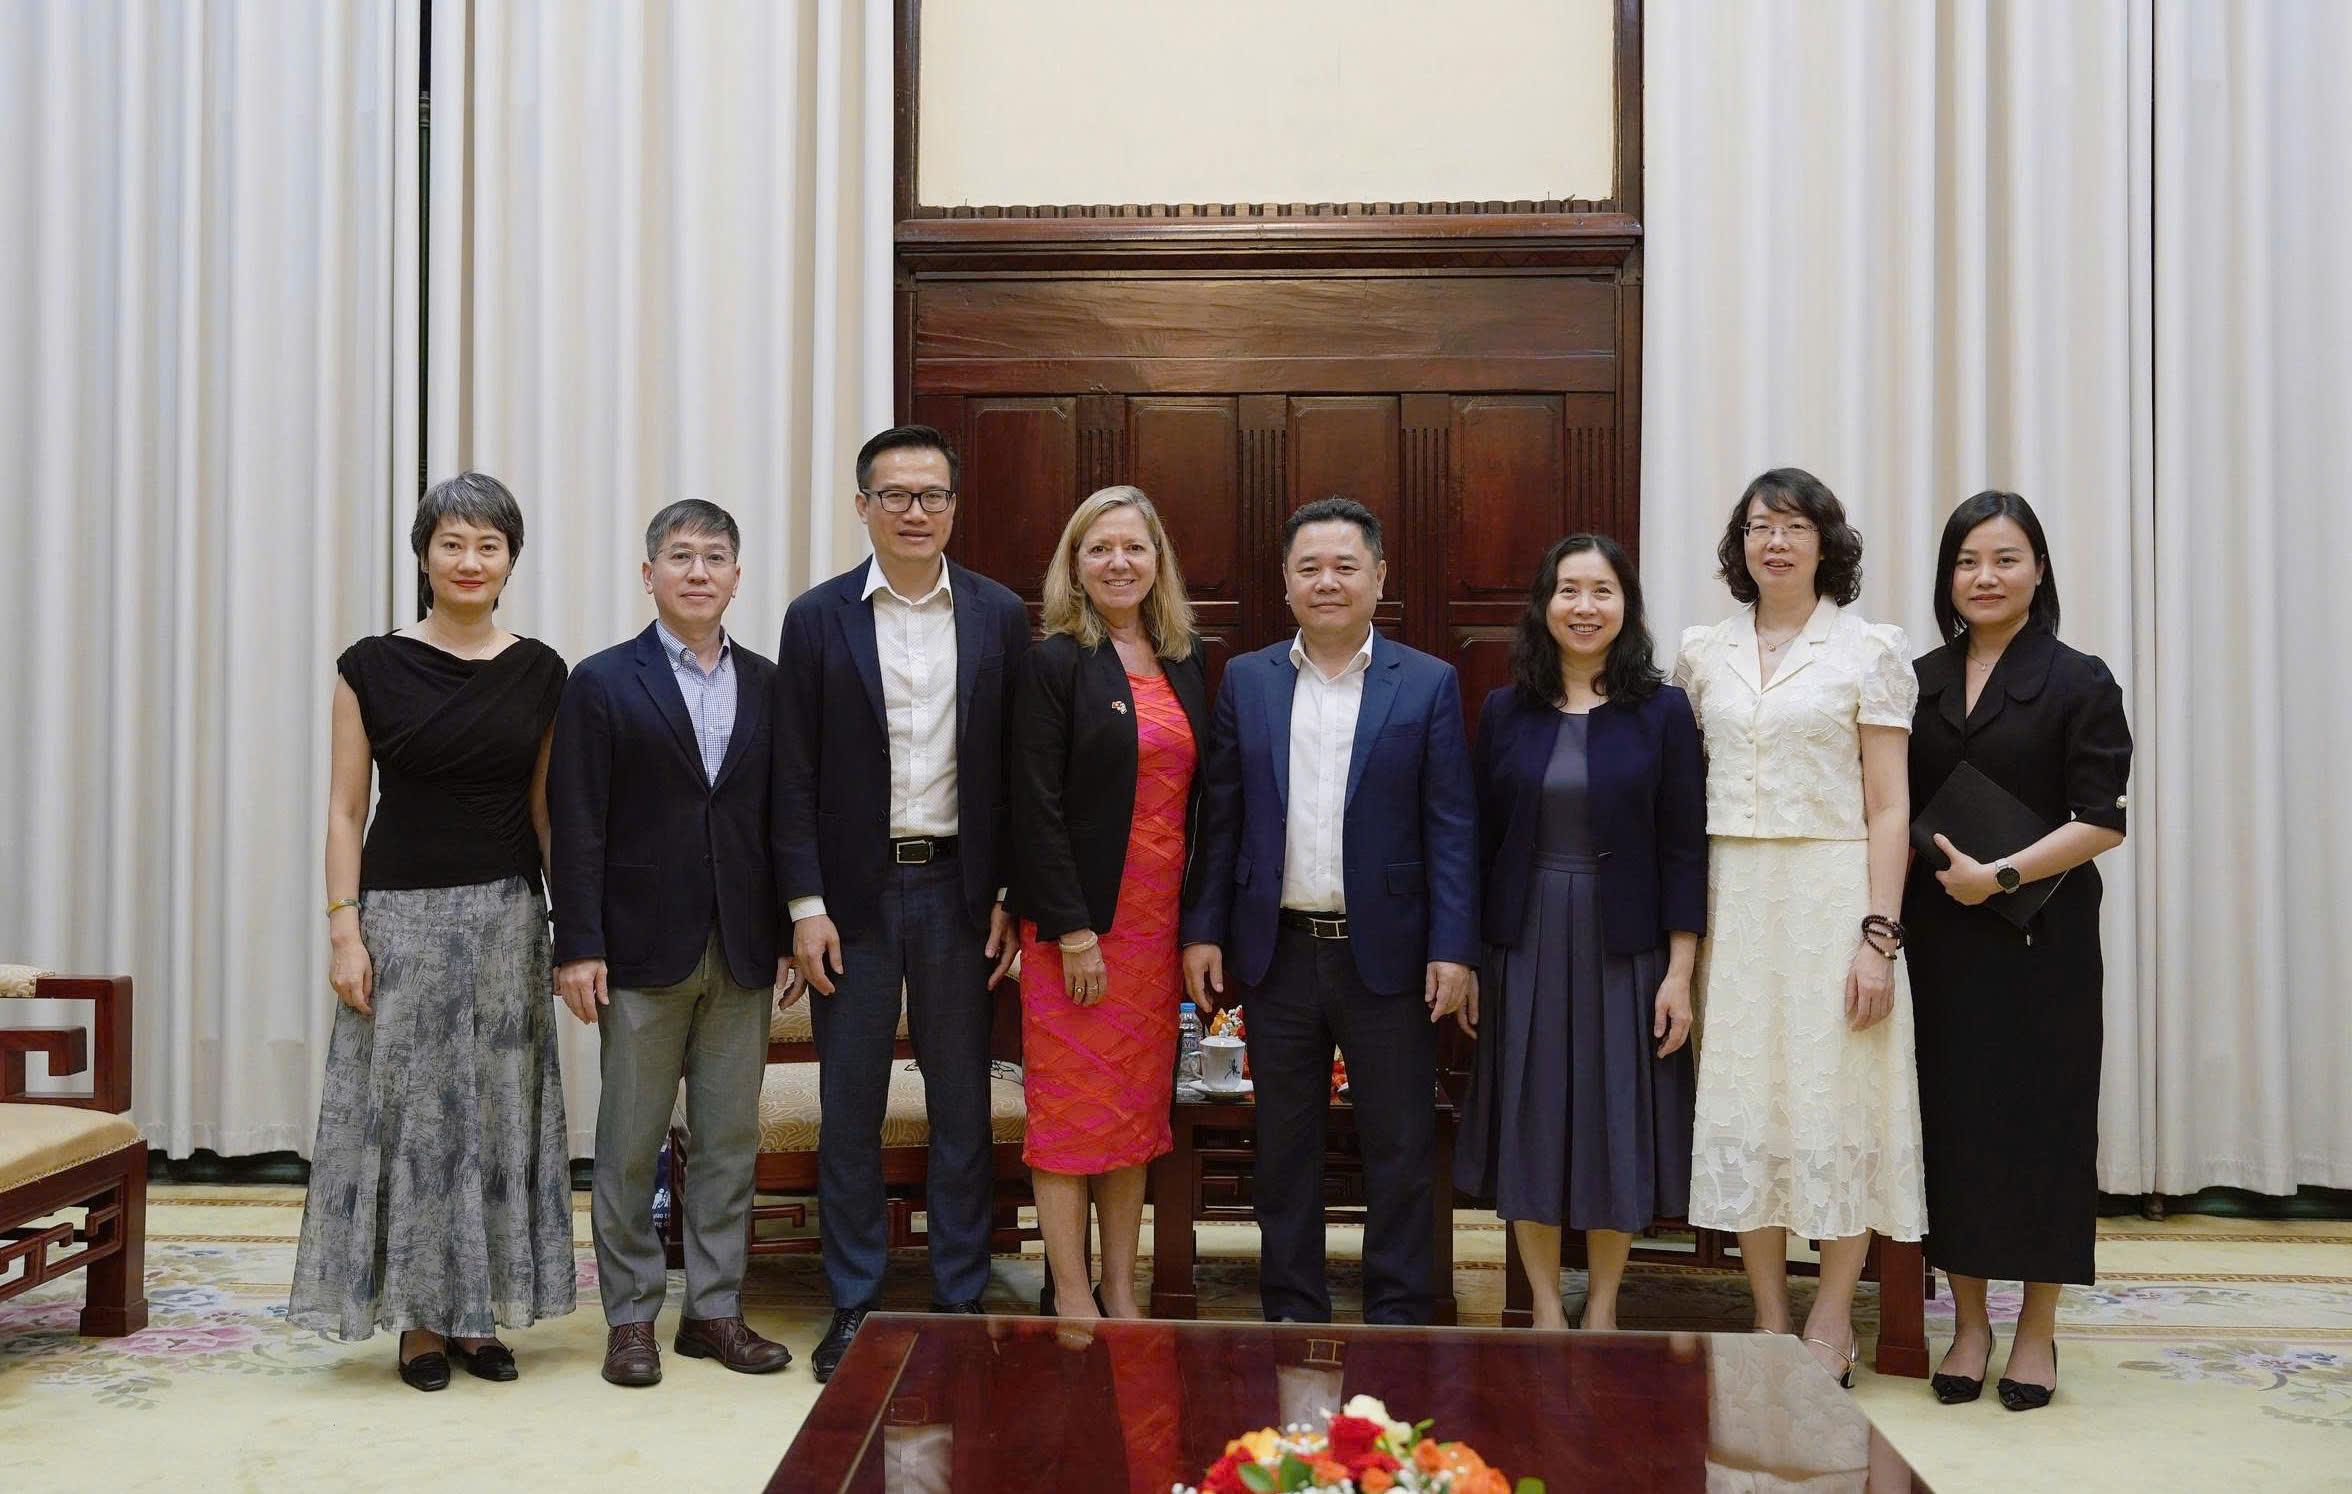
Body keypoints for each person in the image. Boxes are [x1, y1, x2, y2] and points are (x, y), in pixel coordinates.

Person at [290, 473, 575, 1390]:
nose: (469, 561)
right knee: (413, 1121)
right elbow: (344, 811)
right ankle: (419, 1319)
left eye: (489, 545)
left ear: (511, 561)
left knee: (496, 1114)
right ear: (424, 556)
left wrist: (572, 927)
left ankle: (479, 1315)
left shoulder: (543, 672)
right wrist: (345, 931)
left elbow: (546, 813)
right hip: (401, 919)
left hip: (507, 919)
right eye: (452, 543)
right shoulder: (369, 666)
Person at [1180, 496, 1479, 1326]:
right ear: (1285, 582)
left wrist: (1454, 948)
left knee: (1399, 1145)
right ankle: (1291, 1307)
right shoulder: (1249, 680)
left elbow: (1452, 826)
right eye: (1309, 567)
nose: (1327, 582)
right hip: (1276, 951)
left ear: (1379, 576)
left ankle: (1400, 1311)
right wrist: (1203, 929)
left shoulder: (1427, 682)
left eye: (1346, 566)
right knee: (1284, 1147)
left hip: (1389, 955)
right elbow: (1220, 817)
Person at [772, 424, 1031, 1380]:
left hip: (963, 891)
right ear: (863, 506)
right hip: (854, 896)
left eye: (931, 495)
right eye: (894, 495)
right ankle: (855, 1300)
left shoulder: (1001, 614)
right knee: (852, 1103)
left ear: (954, 507)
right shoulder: (816, 618)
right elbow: (792, 773)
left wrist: (1008, 891)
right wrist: (804, 904)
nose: (913, 511)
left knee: (963, 1100)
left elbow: (1016, 766)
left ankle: (959, 1295)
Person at [1672, 467, 1925, 1387]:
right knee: (1747, 1106)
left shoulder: (1869, 649)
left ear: (1826, 543)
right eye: (1758, 527)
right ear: (1739, 546)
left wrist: (1878, 935)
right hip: (1733, 896)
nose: (1774, 542)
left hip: (1832, 894)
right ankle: (1770, 1313)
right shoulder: (1703, 652)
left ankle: (1831, 1313)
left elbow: (1889, 806)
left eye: (1793, 527)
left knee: (1838, 1105)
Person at [548, 500, 798, 1388]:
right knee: (629, 1140)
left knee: (729, 1140)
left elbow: (784, 816)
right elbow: (577, 821)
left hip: (742, 947)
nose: (699, 572)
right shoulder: (602, 682)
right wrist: (577, 944)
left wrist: (786, 929)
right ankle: (630, 1319)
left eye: (715, 557)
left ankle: (714, 1312)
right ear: (648, 573)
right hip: (639, 948)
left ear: (737, 576)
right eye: (681, 556)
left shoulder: (769, 684)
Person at [1904, 491, 2130, 1411]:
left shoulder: (2080, 679)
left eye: (2004, 559)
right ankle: (1969, 1324)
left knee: (2044, 1128)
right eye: (1967, 561)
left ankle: (2036, 1330)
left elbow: (2101, 822)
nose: (1984, 577)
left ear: (2038, 569)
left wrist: (1999, 875)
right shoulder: (1915, 679)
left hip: (2045, 944)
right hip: (1940, 940)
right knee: (1952, 1124)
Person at [1455, 534, 1706, 1331]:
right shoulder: (1506, 711)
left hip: (1624, 944)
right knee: (1529, 1120)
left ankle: (1601, 1308)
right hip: (1524, 939)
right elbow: (1477, 844)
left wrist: (1679, 972)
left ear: (1626, 606)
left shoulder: (1663, 712)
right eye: (1569, 590)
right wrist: (1469, 960)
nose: (1585, 606)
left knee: (1613, 1120)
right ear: (1545, 604)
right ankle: (1543, 1310)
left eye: (1602, 591)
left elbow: (1684, 848)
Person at [1009, 486, 1209, 1321]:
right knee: (1069, 1116)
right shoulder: (1055, 662)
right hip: (1080, 930)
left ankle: (1122, 1289)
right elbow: (1035, 806)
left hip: (1157, 935)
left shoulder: (1185, 661)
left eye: (1134, 547)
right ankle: (1070, 1294)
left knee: (1132, 1115)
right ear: (1075, 564)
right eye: (1100, 549)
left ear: (1158, 560)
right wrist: (1073, 930)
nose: (1118, 562)